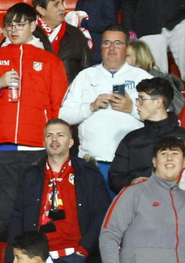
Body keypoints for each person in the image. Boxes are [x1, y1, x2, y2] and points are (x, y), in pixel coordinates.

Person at [0, 3, 70, 238]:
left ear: (33, 25)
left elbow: (59, 110)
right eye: (10, 25)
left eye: (20, 24)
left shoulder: (51, 62)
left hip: (36, 149)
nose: (14, 30)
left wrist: (58, 149)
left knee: (35, 217)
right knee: (4, 218)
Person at [7, 118, 111, 263]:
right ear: (43, 141)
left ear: (71, 142)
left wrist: (83, 250)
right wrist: (12, 258)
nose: (54, 139)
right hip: (36, 259)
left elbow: (102, 215)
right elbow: (17, 216)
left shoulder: (89, 174)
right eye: (49, 135)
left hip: (75, 256)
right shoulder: (30, 175)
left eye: (60, 135)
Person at [56, 27, 149, 180]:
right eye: (107, 43)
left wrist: (131, 108)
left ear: (127, 48)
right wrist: (91, 107)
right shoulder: (85, 76)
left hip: (129, 165)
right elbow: (64, 116)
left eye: (118, 43)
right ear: (101, 48)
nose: (112, 47)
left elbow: (158, 117)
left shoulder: (142, 77)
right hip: (91, 163)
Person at [107, 78, 184, 192]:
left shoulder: (184, 137)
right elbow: (115, 177)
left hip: (177, 201)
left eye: (141, 99)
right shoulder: (132, 139)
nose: (137, 104)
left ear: (158, 103)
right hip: (139, 201)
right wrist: (131, 183)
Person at [30, 0, 89, 81]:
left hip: (68, 94)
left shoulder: (76, 35)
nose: (62, 8)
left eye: (62, 2)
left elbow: (87, 71)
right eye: (56, 4)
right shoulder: (28, 33)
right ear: (41, 10)